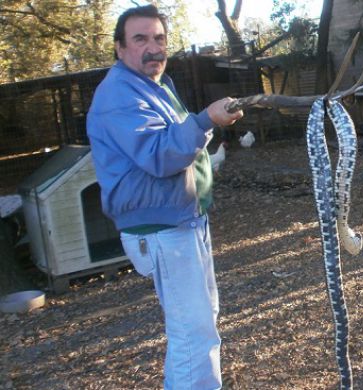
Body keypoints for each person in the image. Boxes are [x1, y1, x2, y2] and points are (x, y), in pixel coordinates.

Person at [86, 5, 242, 389]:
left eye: (159, 38)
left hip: (184, 220)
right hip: (162, 229)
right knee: (193, 333)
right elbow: (161, 155)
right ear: (120, 48)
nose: (153, 48)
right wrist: (206, 119)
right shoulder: (119, 95)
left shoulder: (154, 85)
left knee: (202, 322)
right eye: (140, 39)